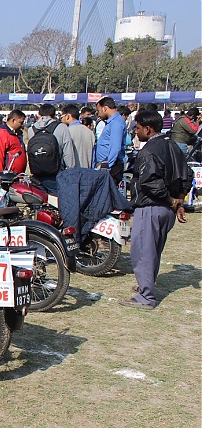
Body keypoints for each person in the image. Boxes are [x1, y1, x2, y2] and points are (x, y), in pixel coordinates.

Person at [120, 110, 191, 310]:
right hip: (167, 210)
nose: (136, 132)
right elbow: (187, 175)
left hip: (152, 207)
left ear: (148, 129)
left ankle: (146, 296)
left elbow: (151, 182)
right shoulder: (173, 146)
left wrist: (171, 200)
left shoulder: (149, 151)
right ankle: (146, 286)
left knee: (142, 251)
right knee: (154, 251)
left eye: (138, 128)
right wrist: (179, 200)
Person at [26, 104, 76, 194]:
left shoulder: (31, 129)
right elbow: (68, 153)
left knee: (39, 201)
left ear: (39, 114)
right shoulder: (61, 127)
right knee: (56, 203)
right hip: (56, 174)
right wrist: (70, 172)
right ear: (54, 115)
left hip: (37, 174)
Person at [94, 97, 127, 185]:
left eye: (99, 110)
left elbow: (115, 147)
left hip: (111, 167)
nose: (98, 114)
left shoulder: (116, 123)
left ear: (105, 108)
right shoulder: (113, 122)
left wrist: (107, 166)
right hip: (106, 165)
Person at [0, 109, 28, 177]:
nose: (22, 125)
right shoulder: (1, 134)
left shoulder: (17, 134)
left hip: (16, 176)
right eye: (20, 122)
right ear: (13, 120)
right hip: (6, 178)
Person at [61, 104, 95, 168]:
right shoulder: (89, 132)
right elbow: (93, 158)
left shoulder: (67, 132)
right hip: (87, 172)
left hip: (72, 173)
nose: (61, 119)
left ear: (68, 116)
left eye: (62, 116)